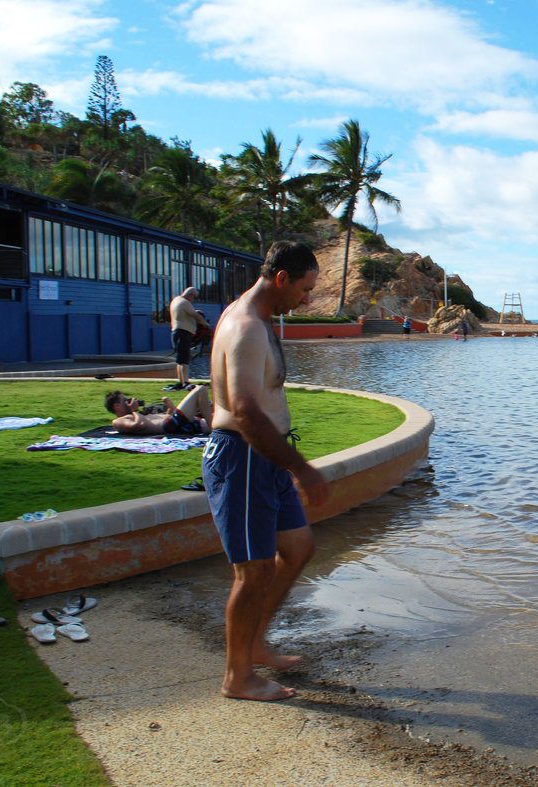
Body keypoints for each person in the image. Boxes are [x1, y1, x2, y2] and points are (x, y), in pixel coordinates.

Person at [201, 241, 330, 702]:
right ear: (281, 279)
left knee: (297, 549)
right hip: (244, 457)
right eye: (304, 289)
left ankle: (255, 643)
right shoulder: (246, 327)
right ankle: (238, 677)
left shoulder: (260, 320)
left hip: (266, 458)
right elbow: (245, 412)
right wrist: (303, 468)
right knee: (251, 572)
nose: (306, 300)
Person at [105, 386, 212, 435]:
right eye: (125, 400)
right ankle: (215, 431)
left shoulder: (134, 415)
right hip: (171, 425)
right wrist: (134, 410)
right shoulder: (118, 422)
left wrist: (169, 408)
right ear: (117, 406)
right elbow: (139, 425)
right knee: (200, 390)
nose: (129, 401)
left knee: (218, 415)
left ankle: (214, 428)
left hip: (174, 422)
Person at [168, 287, 210, 390]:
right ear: (190, 294)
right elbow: (196, 316)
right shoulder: (184, 302)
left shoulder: (175, 300)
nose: (194, 300)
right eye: (194, 297)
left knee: (180, 359)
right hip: (183, 332)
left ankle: (181, 381)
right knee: (185, 358)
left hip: (176, 331)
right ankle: (185, 382)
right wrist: (205, 325)